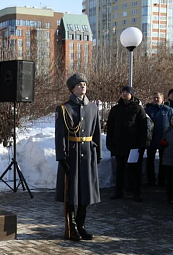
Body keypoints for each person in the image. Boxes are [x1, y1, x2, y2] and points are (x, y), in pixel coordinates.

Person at [55, 73, 102, 241]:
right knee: (71, 193)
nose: (83, 86)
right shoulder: (64, 108)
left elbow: (96, 132)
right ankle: (72, 226)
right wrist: (61, 157)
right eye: (79, 84)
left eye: (84, 84)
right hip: (71, 155)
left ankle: (81, 225)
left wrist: (98, 154)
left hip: (88, 154)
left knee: (86, 193)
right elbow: (60, 134)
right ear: (72, 88)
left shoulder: (93, 108)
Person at [106, 86, 147, 202]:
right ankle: (119, 191)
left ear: (131, 94)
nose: (124, 94)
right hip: (119, 144)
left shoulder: (138, 108)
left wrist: (142, 145)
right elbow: (110, 127)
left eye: (127, 92)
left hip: (134, 145)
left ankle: (136, 193)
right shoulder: (115, 109)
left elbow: (143, 128)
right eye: (123, 92)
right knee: (120, 169)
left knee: (135, 170)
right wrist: (110, 142)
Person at [145, 92, 173, 186]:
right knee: (150, 160)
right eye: (154, 98)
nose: (156, 99)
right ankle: (151, 180)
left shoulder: (168, 110)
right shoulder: (148, 110)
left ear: (162, 99)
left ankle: (162, 179)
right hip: (151, 139)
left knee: (163, 160)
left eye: (158, 98)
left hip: (164, 139)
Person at [160, 116, 173, 202]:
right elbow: (162, 141)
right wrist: (163, 143)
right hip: (168, 158)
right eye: (172, 119)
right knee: (169, 180)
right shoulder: (168, 130)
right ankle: (169, 196)